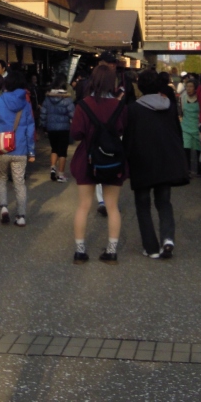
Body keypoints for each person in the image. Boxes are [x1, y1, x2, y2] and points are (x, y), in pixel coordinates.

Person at [125, 69, 188, 259]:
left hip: (142, 161)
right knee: (164, 202)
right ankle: (167, 238)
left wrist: (125, 160)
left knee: (143, 204)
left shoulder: (133, 109)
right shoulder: (169, 106)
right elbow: (177, 133)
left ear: (140, 87)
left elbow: (128, 138)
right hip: (166, 160)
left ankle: (151, 247)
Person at [70, 63, 128, 263]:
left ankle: (80, 251)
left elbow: (76, 134)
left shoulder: (83, 105)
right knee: (112, 206)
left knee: (83, 206)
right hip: (112, 159)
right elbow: (123, 130)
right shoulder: (120, 106)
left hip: (87, 158)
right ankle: (111, 251)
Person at [0, 71, 37, 227]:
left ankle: (3, 207)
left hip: (1, 147)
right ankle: (21, 216)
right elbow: (30, 129)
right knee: (19, 182)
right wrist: (31, 151)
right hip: (20, 148)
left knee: (1, 178)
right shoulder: (26, 104)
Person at [42, 83, 75, 182]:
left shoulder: (47, 99)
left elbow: (43, 114)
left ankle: (53, 169)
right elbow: (73, 114)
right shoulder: (67, 99)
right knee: (62, 152)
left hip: (51, 128)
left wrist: (44, 126)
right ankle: (61, 175)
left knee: (54, 149)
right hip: (64, 128)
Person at [180, 76, 201, 174]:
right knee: (186, 149)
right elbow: (181, 111)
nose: (188, 89)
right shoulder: (183, 97)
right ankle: (187, 170)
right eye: (187, 86)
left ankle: (200, 171)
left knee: (199, 150)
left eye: (191, 86)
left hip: (197, 127)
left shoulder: (200, 98)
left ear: (195, 88)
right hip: (185, 127)